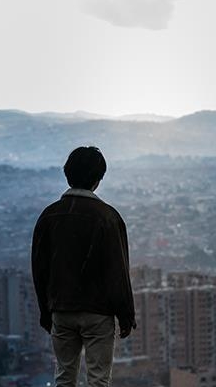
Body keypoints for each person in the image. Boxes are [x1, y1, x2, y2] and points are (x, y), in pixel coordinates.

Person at [31, 146, 136, 387]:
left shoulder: (49, 216)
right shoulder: (108, 217)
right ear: (98, 180)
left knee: (64, 377)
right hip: (97, 312)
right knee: (98, 379)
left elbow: (39, 269)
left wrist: (46, 311)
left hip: (62, 308)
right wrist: (125, 314)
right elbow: (118, 270)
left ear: (68, 174)